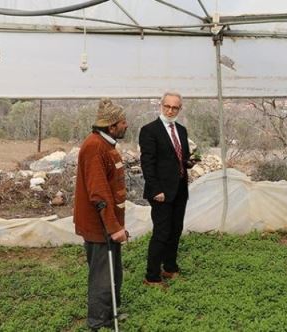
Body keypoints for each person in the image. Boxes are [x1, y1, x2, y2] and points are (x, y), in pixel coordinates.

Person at [74, 98, 130, 330]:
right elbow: (99, 194)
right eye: (122, 122)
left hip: (110, 223)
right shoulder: (95, 147)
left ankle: (109, 315)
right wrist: (114, 228)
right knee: (102, 276)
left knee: (113, 272)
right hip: (100, 226)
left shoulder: (107, 144)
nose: (126, 125)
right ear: (111, 126)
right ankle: (97, 322)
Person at [139, 91, 194, 286]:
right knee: (162, 233)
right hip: (161, 191)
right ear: (161, 106)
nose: (170, 110)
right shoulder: (149, 130)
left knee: (176, 229)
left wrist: (189, 162)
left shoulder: (181, 130)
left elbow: (180, 158)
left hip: (179, 188)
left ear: (180, 108)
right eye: (167, 106)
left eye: (175, 107)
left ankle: (170, 267)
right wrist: (155, 190)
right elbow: (147, 163)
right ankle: (152, 276)